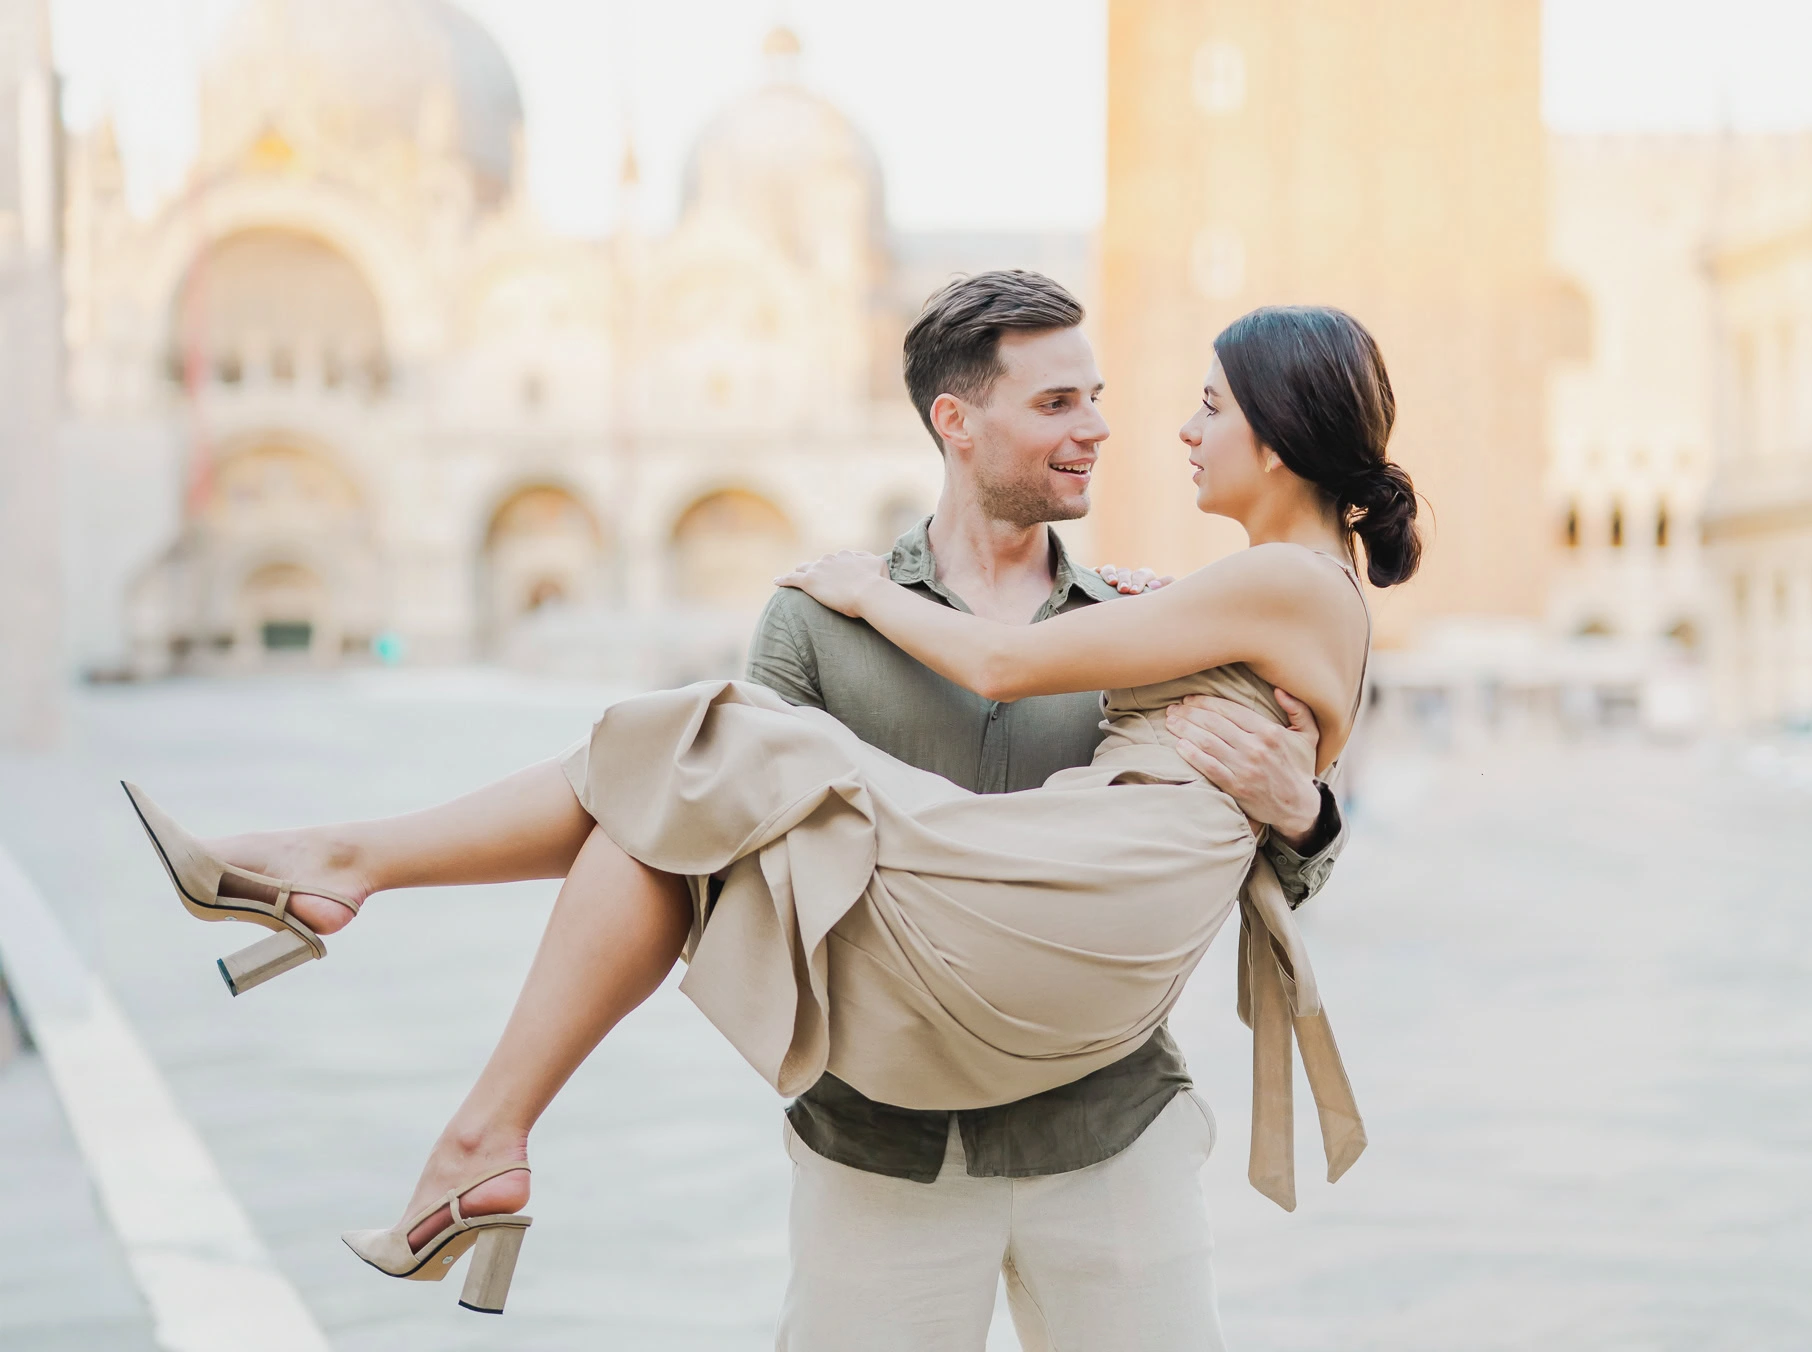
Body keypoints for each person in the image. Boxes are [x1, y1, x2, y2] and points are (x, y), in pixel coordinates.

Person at [123, 281, 1418, 1347]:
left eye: (1157, 405)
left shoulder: (1134, 611)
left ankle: (365, 914)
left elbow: (1225, 851)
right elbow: (682, 839)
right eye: (1062, 402)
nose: (1119, 431)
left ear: (1282, 435)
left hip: (1099, 1119)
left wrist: (1306, 815)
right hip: (888, 1132)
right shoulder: (1087, 611)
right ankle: (386, 954)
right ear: (957, 423)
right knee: (687, 773)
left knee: (698, 747)